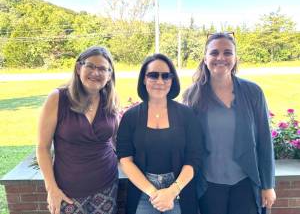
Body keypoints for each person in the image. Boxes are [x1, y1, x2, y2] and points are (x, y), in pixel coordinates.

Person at [183, 32, 276, 214]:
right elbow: (187, 145)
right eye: (214, 53)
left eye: (227, 53)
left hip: (245, 184)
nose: (221, 58)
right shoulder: (192, 96)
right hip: (208, 186)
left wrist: (268, 185)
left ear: (235, 58)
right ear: (205, 58)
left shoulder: (253, 92)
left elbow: (265, 142)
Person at [37, 46, 119, 214]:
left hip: (106, 185)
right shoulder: (57, 98)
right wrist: (51, 189)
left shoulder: (110, 100)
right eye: (90, 66)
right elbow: (42, 148)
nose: (96, 73)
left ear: (109, 75)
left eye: (103, 68)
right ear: (78, 67)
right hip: (68, 189)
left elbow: (115, 139)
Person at [116, 53, 201, 214]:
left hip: (179, 192)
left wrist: (172, 191)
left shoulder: (186, 115)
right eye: (153, 75)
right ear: (144, 79)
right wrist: (155, 194)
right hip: (143, 192)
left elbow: (194, 158)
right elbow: (125, 160)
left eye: (166, 76)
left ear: (172, 79)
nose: (160, 81)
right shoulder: (131, 117)